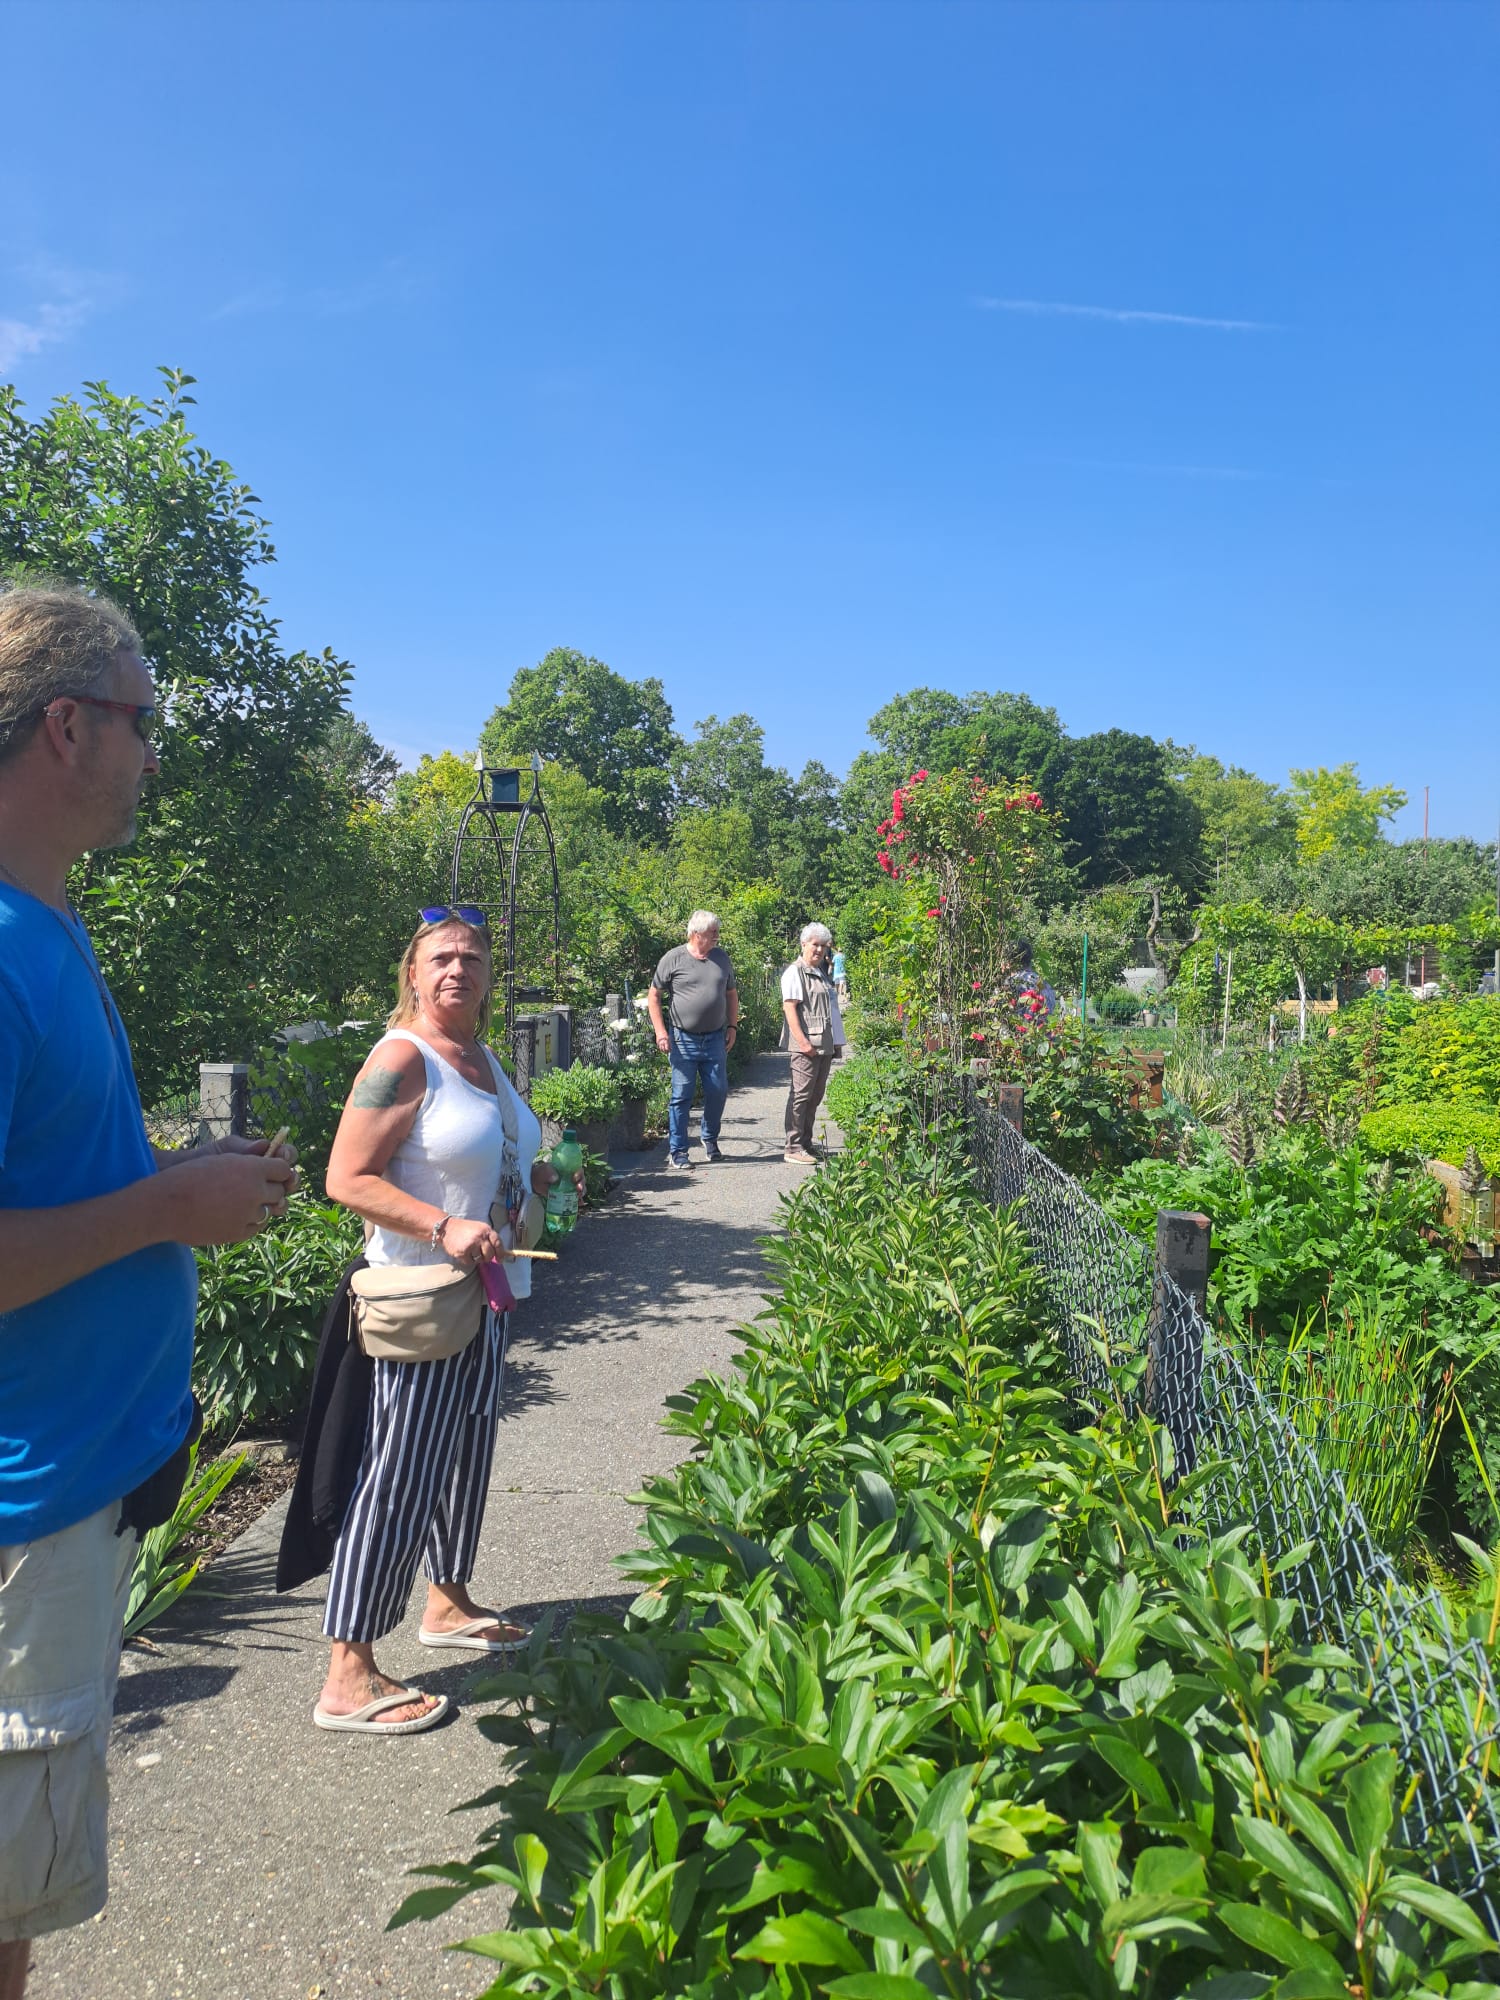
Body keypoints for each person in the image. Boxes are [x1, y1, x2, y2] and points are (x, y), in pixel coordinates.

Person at [0, 582, 297, 1995]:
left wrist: (177, 1174)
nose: (153, 752)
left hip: (63, 1500)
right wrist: (173, 1205)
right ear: (66, 727)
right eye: (140, 721)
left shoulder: (43, 927)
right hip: (23, 1513)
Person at [315, 911, 577, 1735]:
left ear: (490, 974)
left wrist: (533, 1172)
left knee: (464, 1457)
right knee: (399, 1476)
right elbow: (344, 1177)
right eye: (441, 958)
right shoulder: (403, 1057)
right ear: (414, 974)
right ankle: (347, 1673)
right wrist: (442, 1225)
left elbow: (485, 1154)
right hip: (423, 1299)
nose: (457, 968)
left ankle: (448, 1601)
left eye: (471, 956)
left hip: (491, 1296)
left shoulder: (484, 1058)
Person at [648, 911, 739, 1168]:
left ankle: (709, 1139)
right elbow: (653, 995)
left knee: (718, 1091)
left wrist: (732, 1025)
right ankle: (678, 1151)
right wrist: (660, 1032)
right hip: (682, 1038)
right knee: (681, 1095)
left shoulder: (721, 959)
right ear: (696, 934)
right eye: (713, 934)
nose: (717, 938)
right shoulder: (673, 958)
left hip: (714, 1038)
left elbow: (731, 994)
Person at [781, 923, 846, 1165]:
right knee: (801, 1095)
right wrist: (802, 1041)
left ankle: (805, 1143)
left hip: (824, 1044)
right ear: (804, 944)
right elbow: (790, 1008)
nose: (819, 950)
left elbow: (831, 1011)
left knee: (815, 1095)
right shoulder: (795, 972)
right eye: (814, 944)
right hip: (807, 1044)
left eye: (823, 945)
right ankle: (793, 1146)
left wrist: (836, 1042)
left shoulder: (820, 972)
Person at [1008, 937, 1058, 1031]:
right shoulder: (1042, 983)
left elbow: (991, 1009)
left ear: (1009, 961)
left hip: (1018, 1039)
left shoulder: (1011, 983)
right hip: (1042, 1039)